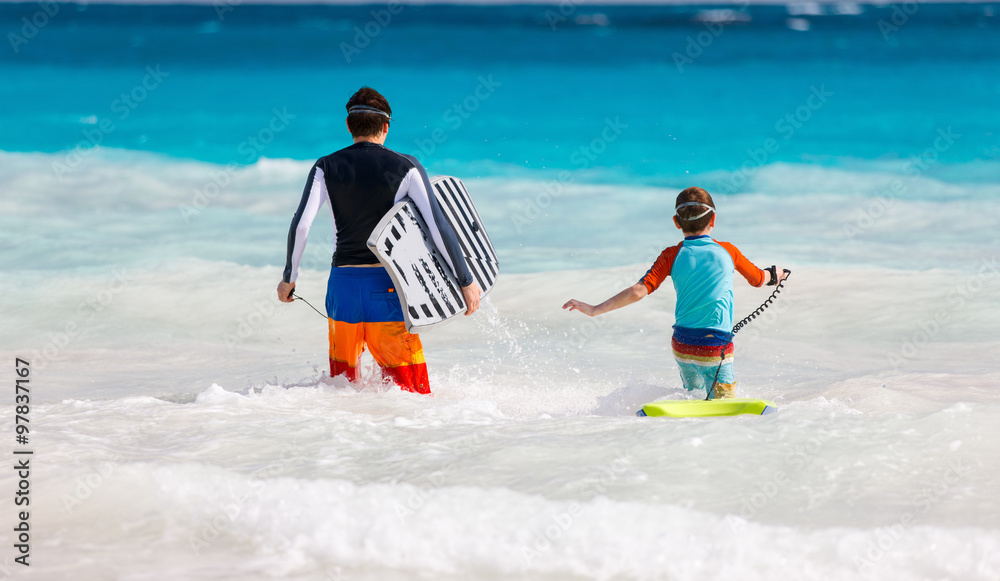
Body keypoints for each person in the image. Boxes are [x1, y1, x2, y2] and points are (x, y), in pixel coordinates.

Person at [277, 87, 481, 395]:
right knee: (412, 393)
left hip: (342, 288)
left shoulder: (325, 166)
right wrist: (465, 280)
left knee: (342, 389)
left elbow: (301, 226)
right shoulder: (406, 166)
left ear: (349, 126)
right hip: (386, 289)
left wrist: (288, 279)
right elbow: (438, 226)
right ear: (386, 127)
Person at [562, 187, 787, 399]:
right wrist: (776, 275)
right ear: (714, 220)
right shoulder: (728, 251)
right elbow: (759, 279)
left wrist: (594, 309)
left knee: (693, 397)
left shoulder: (671, 254)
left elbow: (638, 291)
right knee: (723, 405)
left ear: (676, 223)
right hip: (713, 346)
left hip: (682, 345)